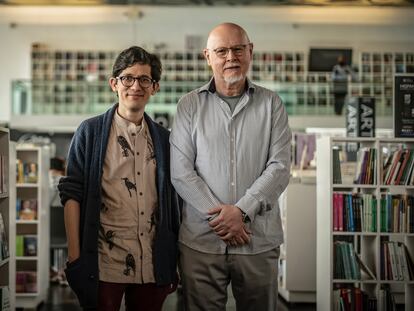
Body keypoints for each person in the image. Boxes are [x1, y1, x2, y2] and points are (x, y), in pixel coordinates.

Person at [170, 23, 291, 311]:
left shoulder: (272, 104)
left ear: (250, 52)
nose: (230, 57)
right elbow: (181, 172)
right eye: (221, 51)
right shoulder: (189, 106)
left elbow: (280, 168)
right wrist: (223, 220)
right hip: (201, 243)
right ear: (207, 56)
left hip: (257, 240)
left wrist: (242, 212)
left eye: (238, 49)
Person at [58, 46, 180, 311]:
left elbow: (174, 200)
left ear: (154, 87)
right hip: (103, 262)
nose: (136, 85)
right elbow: (71, 194)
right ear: (114, 83)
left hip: (151, 261)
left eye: (144, 79)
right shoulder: (89, 132)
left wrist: (172, 257)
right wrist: (75, 256)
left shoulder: (165, 140)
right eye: (128, 78)